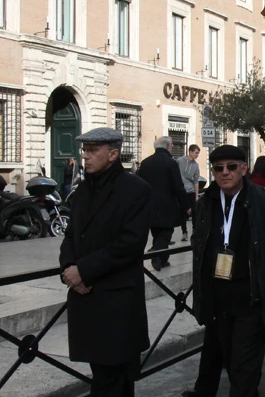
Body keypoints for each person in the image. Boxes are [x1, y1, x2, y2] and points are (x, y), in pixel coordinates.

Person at [183, 145, 265, 397]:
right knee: (230, 360)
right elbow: (199, 244)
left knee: (244, 366)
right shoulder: (205, 204)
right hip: (217, 299)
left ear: (243, 169)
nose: (224, 173)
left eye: (231, 167)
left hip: (251, 300)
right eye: (218, 168)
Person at [59, 127, 154, 396]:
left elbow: (130, 244)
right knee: (102, 374)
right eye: (84, 151)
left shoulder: (136, 190)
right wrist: (68, 269)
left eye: (92, 151)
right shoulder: (81, 192)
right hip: (85, 298)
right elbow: (70, 235)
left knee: (114, 377)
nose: (85, 157)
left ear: (113, 154)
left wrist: (84, 271)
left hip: (116, 299)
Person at [136, 137, 191, 271]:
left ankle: (162, 259)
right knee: (166, 232)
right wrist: (186, 205)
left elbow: (138, 183)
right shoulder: (171, 163)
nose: (173, 147)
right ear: (167, 147)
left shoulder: (145, 163)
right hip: (167, 205)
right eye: (172, 145)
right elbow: (178, 186)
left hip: (149, 205)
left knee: (157, 232)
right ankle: (156, 252)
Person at [176, 145, 202, 242]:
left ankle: (195, 231)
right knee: (182, 212)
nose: (197, 155)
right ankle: (184, 232)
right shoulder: (180, 161)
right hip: (181, 191)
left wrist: (196, 195)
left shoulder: (196, 165)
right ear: (190, 152)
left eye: (198, 153)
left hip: (191, 191)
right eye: (196, 153)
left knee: (195, 212)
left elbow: (196, 181)